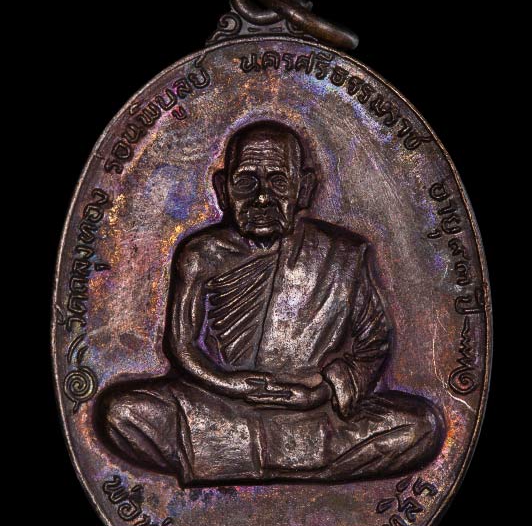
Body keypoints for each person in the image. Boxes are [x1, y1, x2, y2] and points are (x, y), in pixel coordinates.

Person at [96, 120, 444, 485]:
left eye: (278, 182)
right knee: (120, 414)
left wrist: (321, 391)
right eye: (246, 182)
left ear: (303, 189)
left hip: (311, 412)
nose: (262, 197)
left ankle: (249, 460)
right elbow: (181, 346)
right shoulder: (201, 254)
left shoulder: (341, 255)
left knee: (422, 425)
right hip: (218, 407)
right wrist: (232, 386)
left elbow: (374, 343)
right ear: (223, 190)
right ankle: (305, 465)